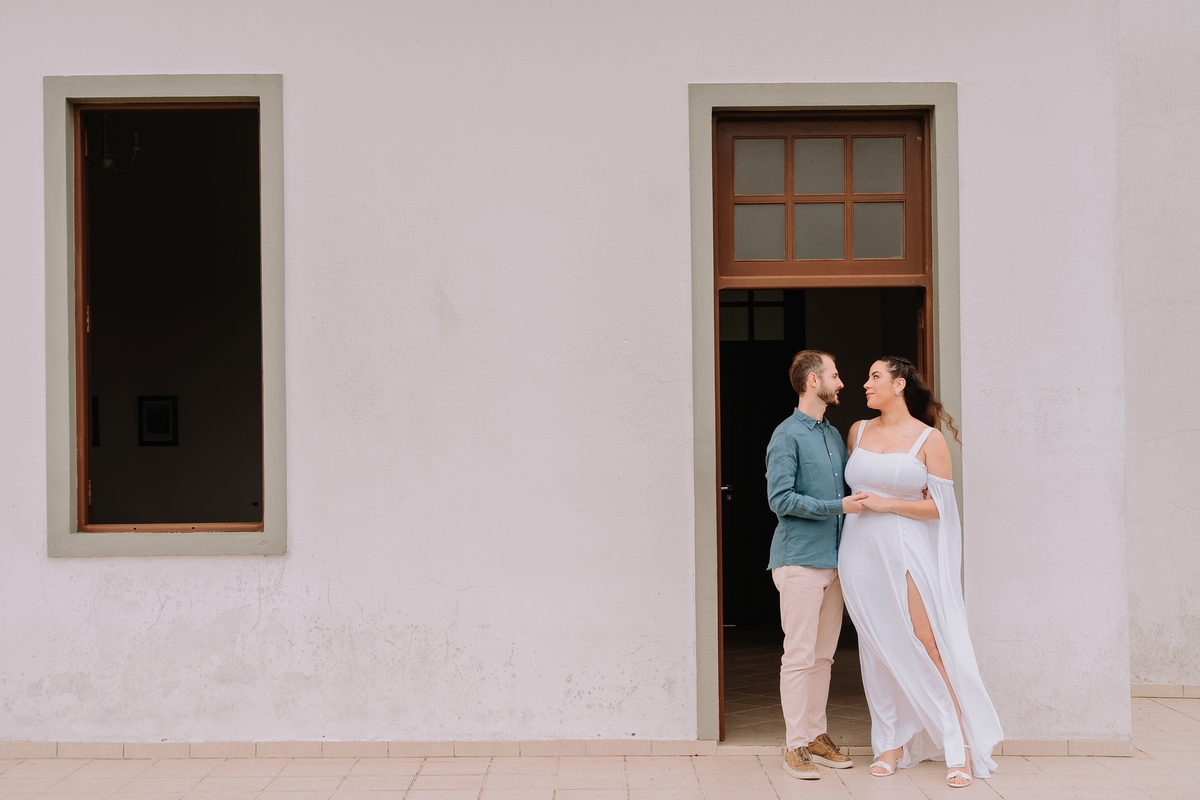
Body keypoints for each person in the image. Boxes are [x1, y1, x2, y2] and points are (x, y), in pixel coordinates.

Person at [838, 356, 1003, 789]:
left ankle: (959, 745)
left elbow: (940, 509)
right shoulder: (857, 431)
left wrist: (887, 503)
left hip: (906, 549)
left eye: (875, 377)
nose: (865, 384)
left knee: (925, 641)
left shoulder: (929, 439)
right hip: (857, 552)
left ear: (899, 385)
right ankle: (890, 744)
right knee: (875, 647)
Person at [765, 350, 867, 780]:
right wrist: (837, 506)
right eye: (835, 374)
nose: (842, 382)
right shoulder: (786, 435)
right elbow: (780, 499)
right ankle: (794, 747)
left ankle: (815, 736)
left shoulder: (831, 433)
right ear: (812, 381)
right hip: (799, 562)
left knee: (823, 657)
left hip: (835, 563)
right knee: (799, 656)